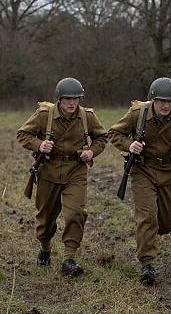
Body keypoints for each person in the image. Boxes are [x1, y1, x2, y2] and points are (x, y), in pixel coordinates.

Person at [109, 78, 171, 285]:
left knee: (167, 223)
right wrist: (130, 145)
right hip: (143, 170)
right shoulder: (138, 114)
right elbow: (114, 133)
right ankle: (147, 263)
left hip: (170, 172)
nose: (166, 105)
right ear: (153, 100)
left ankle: (154, 232)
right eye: (161, 101)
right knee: (147, 216)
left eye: (170, 101)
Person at [17, 78, 108, 276]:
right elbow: (23, 134)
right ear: (59, 99)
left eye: (76, 98)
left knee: (75, 213)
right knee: (45, 220)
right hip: (48, 170)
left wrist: (92, 152)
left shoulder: (87, 117)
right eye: (67, 98)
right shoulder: (44, 115)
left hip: (76, 170)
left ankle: (69, 258)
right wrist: (39, 145)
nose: (71, 103)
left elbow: (102, 137)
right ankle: (45, 248)